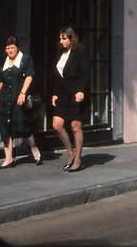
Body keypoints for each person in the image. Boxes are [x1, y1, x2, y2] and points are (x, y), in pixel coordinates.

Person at [0, 36, 43, 168]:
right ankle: (8, 158)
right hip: (4, 100)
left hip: (18, 99)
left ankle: (34, 149)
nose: (10, 50)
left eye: (12, 47)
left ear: (17, 47)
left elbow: (29, 76)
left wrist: (23, 93)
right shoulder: (3, 60)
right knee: (5, 129)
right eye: (7, 48)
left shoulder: (25, 59)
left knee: (22, 127)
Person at [52, 26, 90, 173]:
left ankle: (78, 159)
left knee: (75, 126)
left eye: (64, 39)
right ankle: (70, 152)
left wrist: (82, 90)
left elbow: (86, 73)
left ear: (71, 38)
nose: (61, 41)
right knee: (57, 124)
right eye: (60, 39)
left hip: (76, 94)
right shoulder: (60, 52)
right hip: (62, 94)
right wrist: (55, 93)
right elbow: (57, 74)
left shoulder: (81, 51)